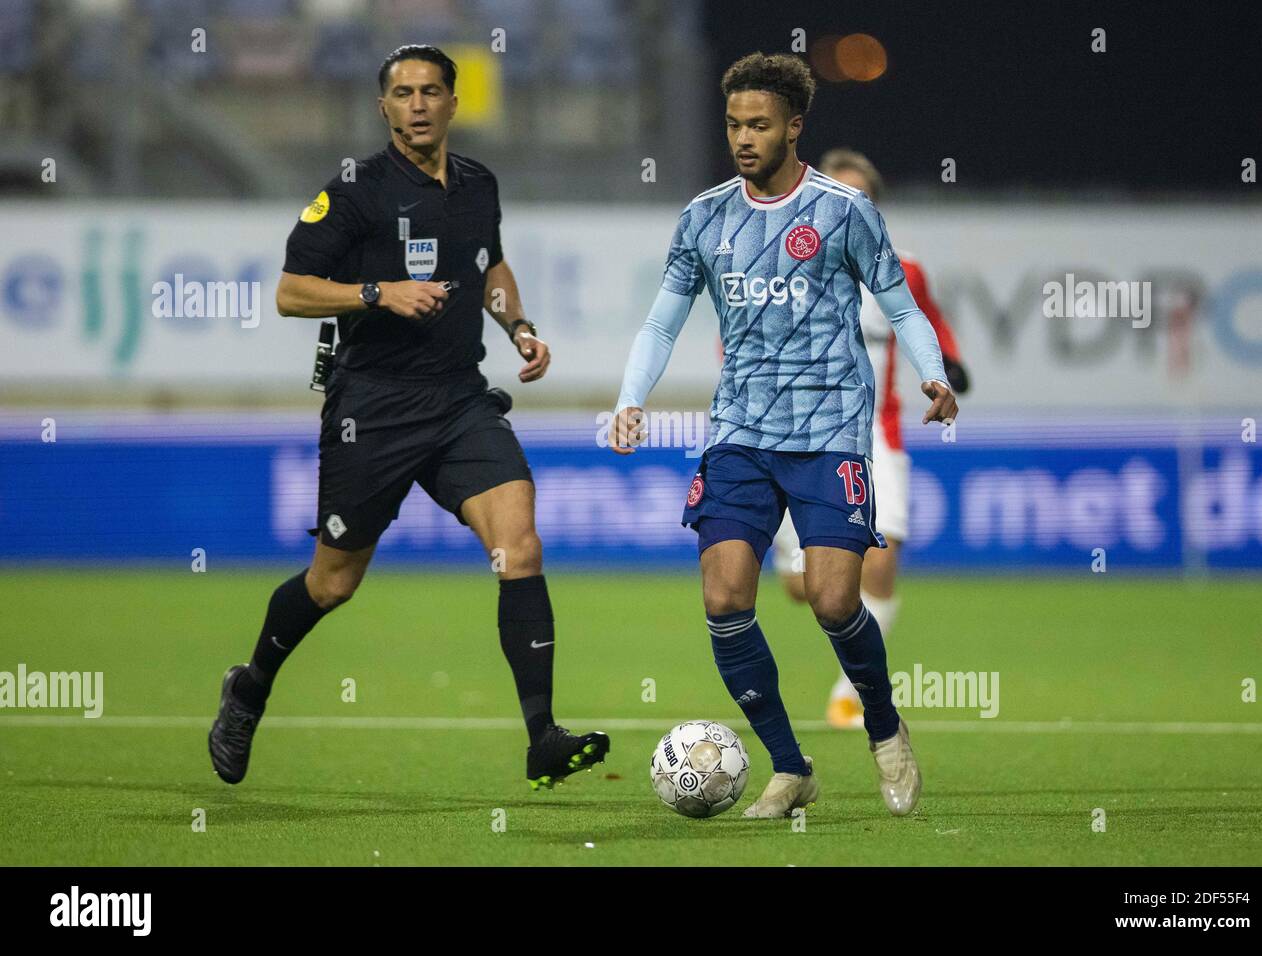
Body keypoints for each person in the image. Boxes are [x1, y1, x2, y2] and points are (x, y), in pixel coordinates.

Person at [208, 45, 609, 792]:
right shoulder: (355, 190)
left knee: (519, 542)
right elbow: (292, 292)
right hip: (374, 410)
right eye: (403, 93)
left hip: (459, 401)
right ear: (383, 107)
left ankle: (542, 736)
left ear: (455, 103)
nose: (418, 104)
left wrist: (518, 326)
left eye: (431, 90)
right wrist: (376, 293)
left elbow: (489, 263)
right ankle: (251, 686)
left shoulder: (478, 184)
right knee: (332, 584)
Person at [610, 53, 957, 818]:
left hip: (831, 429)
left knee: (835, 600)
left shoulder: (843, 210)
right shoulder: (704, 216)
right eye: (734, 123)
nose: (742, 137)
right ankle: (790, 765)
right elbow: (665, 317)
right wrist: (632, 398)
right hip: (738, 431)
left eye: (759, 124)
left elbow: (900, 306)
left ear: (794, 126)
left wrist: (933, 374)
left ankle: (885, 724)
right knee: (724, 594)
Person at [770, 149, 970, 728]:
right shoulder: (783, 261)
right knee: (803, 586)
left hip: (876, 437)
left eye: (861, 197)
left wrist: (947, 364)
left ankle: (851, 691)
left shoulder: (901, 269)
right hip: (796, 436)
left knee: (880, 567)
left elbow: (925, 317)